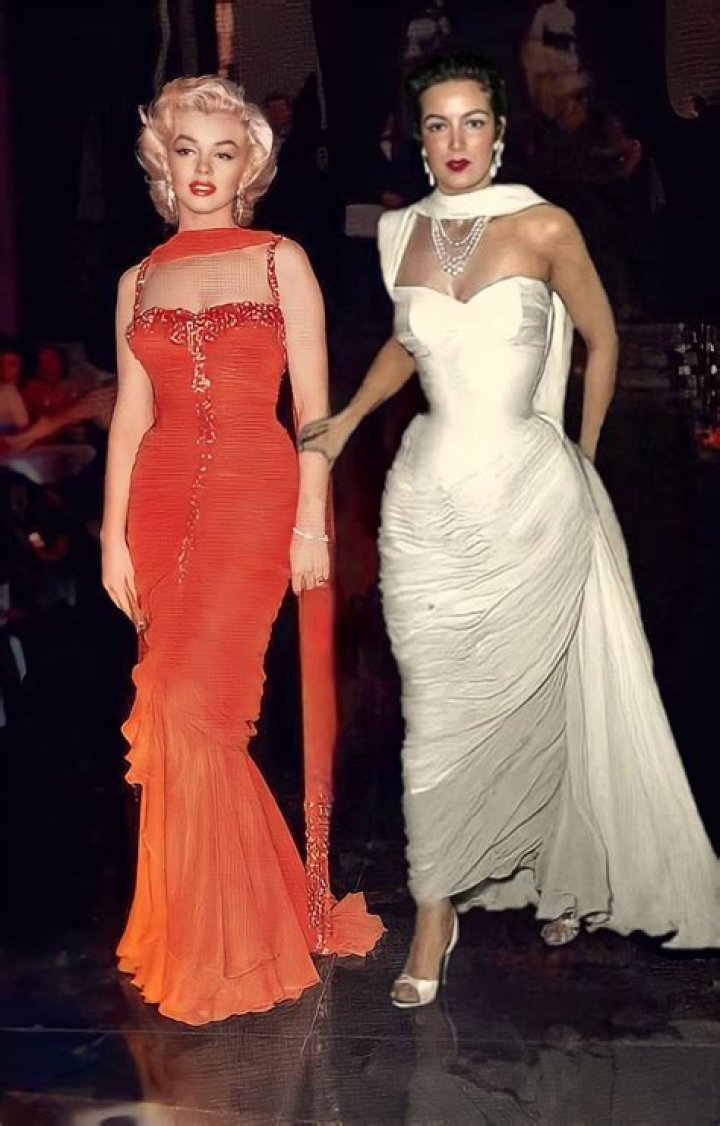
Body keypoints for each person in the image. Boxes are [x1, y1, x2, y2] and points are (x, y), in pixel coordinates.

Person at [299, 51, 719, 1008]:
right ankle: (435, 911)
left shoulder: (544, 224)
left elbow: (601, 339)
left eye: (473, 122)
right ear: (418, 139)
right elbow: (408, 345)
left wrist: (583, 455)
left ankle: (562, 863)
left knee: (536, 698)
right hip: (429, 500)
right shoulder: (399, 231)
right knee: (438, 713)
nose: (456, 141)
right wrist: (352, 418)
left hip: (530, 494)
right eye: (437, 124)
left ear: (498, 134)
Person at [100, 75, 382, 1026]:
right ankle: (198, 928)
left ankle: (235, 934)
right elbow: (131, 418)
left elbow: (315, 412)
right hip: (158, 502)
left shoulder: (280, 261)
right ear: (162, 159)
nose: (204, 169)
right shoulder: (138, 280)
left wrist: (313, 522)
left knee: (200, 707)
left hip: (255, 499)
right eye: (187, 150)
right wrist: (109, 536)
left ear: (248, 166)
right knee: (167, 699)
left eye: (224, 153)